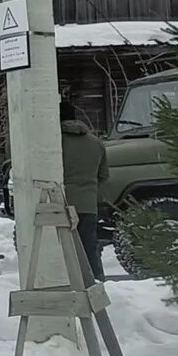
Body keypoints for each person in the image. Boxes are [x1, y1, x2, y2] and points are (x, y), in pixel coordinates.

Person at [60, 100, 108, 280]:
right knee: (89, 246)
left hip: (63, 203)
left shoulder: (55, 143)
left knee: (65, 248)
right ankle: (97, 280)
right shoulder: (96, 142)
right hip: (89, 203)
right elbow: (104, 175)